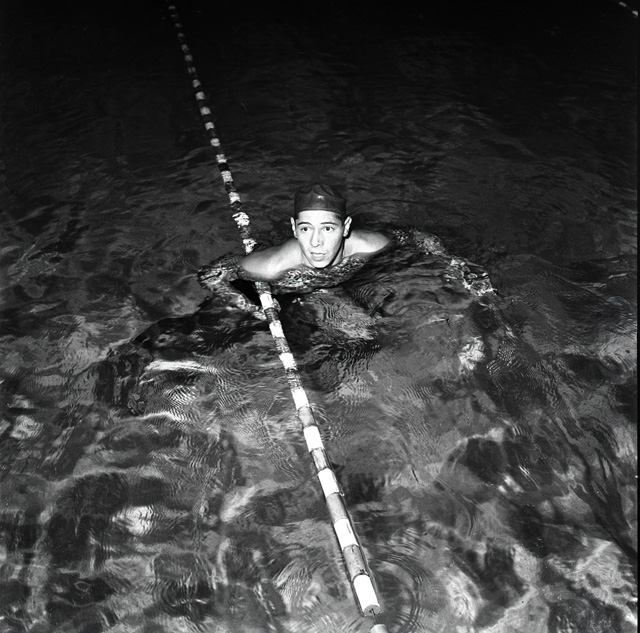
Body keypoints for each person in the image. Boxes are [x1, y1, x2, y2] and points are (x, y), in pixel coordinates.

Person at [197, 183, 491, 320]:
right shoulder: (272, 265)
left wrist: (456, 263)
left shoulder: (370, 245)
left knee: (364, 337)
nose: (315, 242)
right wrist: (248, 307)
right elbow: (211, 274)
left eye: (327, 228)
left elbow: (414, 236)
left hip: (335, 286)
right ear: (293, 228)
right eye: (306, 229)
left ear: (346, 227)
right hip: (284, 287)